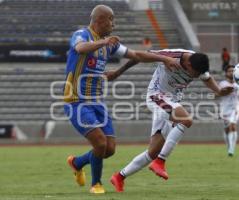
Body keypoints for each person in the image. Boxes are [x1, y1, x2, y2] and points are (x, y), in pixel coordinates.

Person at [63, 5, 180, 194]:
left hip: (96, 102)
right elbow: (80, 48)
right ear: (100, 19)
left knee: (109, 149)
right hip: (76, 101)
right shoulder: (82, 34)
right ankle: (96, 184)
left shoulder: (110, 43)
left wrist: (162, 59)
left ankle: (77, 162)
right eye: (111, 20)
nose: (114, 24)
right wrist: (104, 42)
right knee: (100, 144)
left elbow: (136, 55)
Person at [106, 49, 234, 192]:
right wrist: (119, 71)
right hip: (157, 96)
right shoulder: (172, 56)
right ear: (189, 65)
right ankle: (160, 161)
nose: (196, 77)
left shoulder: (198, 64)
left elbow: (207, 78)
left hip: (171, 102)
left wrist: (219, 91)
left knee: (152, 152)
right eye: (195, 74)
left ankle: (119, 177)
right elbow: (139, 55)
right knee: (186, 120)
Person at [219, 65, 239, 157]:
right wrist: (226, 91)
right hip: (225, 108)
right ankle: (229, 146)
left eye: (233, 71)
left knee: (232, 126)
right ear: (226, 73)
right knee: (226, 129)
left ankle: (231, 150)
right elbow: (217, 94)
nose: (232, 72)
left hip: (235, 107)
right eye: (230, 71)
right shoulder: (222, 84)